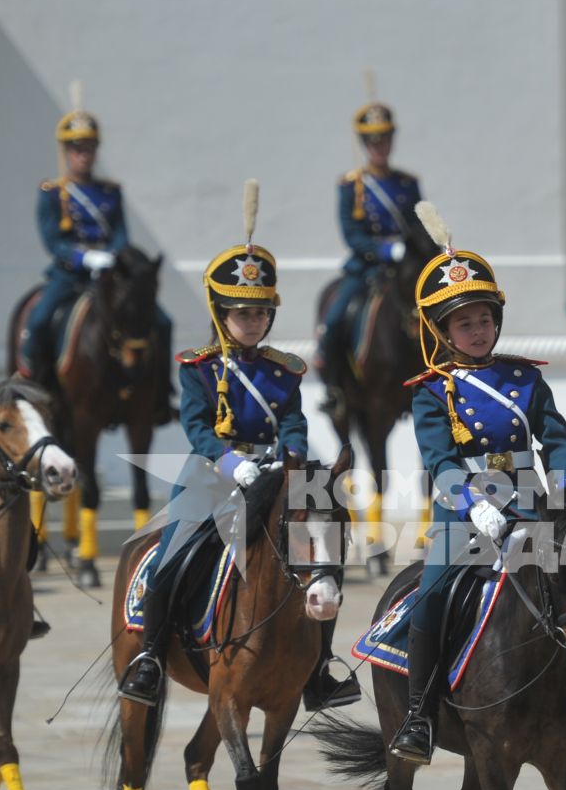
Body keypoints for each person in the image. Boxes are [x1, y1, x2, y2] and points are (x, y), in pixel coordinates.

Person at [387, 199, 566, 766]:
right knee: (433, 596)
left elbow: (553, 439)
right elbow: (439, 459)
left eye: (484, 319)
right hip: (467, 514)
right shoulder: (431, 390)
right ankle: (419, 713)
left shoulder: (523, 377)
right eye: (465, 322)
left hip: (536, 506)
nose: (478, 330)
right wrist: (470, 503)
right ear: (443, 330)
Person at [118, 180, 360, 713]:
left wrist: (290, 456)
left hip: (273, 471)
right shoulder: (199, 368)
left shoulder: (283, 370)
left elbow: (293, 421)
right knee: (172, 556)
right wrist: (230, 462)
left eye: (260, 313)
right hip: (211, 473)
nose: (253, 322)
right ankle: (152, 657)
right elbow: (197, 426)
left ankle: (318, 669)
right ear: (221, 314)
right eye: (242, 313)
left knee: (321, 558)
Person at [19, 82, 175, 420]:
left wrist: (114, 257)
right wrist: (83, 257)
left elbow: (120, 234)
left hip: (109, 275)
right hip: (69, 275)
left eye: (88, 148)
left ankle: (162, 394)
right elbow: (53, 242)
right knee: (40, 319)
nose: (83, 155)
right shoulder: (51, 193)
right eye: (76, 148)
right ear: (65, 151)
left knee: (161, 321)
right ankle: (37, 386)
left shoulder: (110, 192)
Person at [319, 78, 422, 414]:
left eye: (385, 139)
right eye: (373, 141)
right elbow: (351, 233)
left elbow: (419, 225)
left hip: (405, 268)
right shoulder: (353, 185)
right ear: (365, 143)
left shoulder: (407, 183)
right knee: (334, 320)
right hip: (367, 268)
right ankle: (335, 389)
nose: (380, 146)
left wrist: (413, 250)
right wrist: (383, 251)